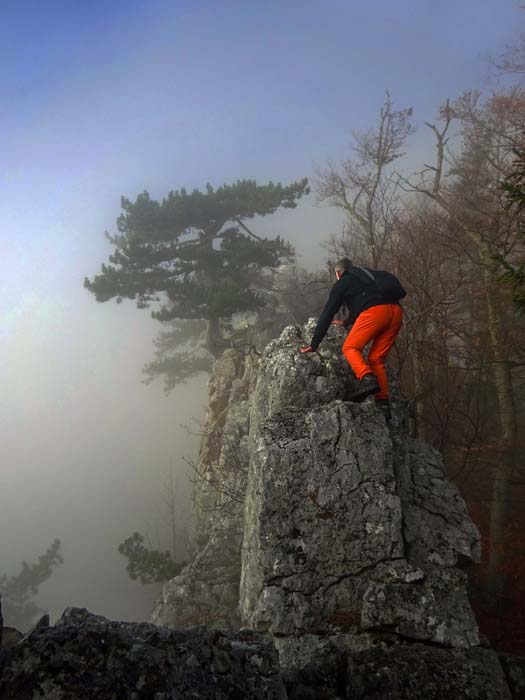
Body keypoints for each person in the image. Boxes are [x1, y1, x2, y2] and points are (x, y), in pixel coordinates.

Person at [299, 257, 404, 418]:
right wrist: (347, 322)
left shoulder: (343, 282)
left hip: (375, 313)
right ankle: (383, 405)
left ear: (338, 273)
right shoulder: (367, 277)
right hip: (396, 312)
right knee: (376, 358)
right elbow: (364, 301)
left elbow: (328, 313)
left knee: (350, 347)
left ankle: (367, 377)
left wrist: (314, 343)